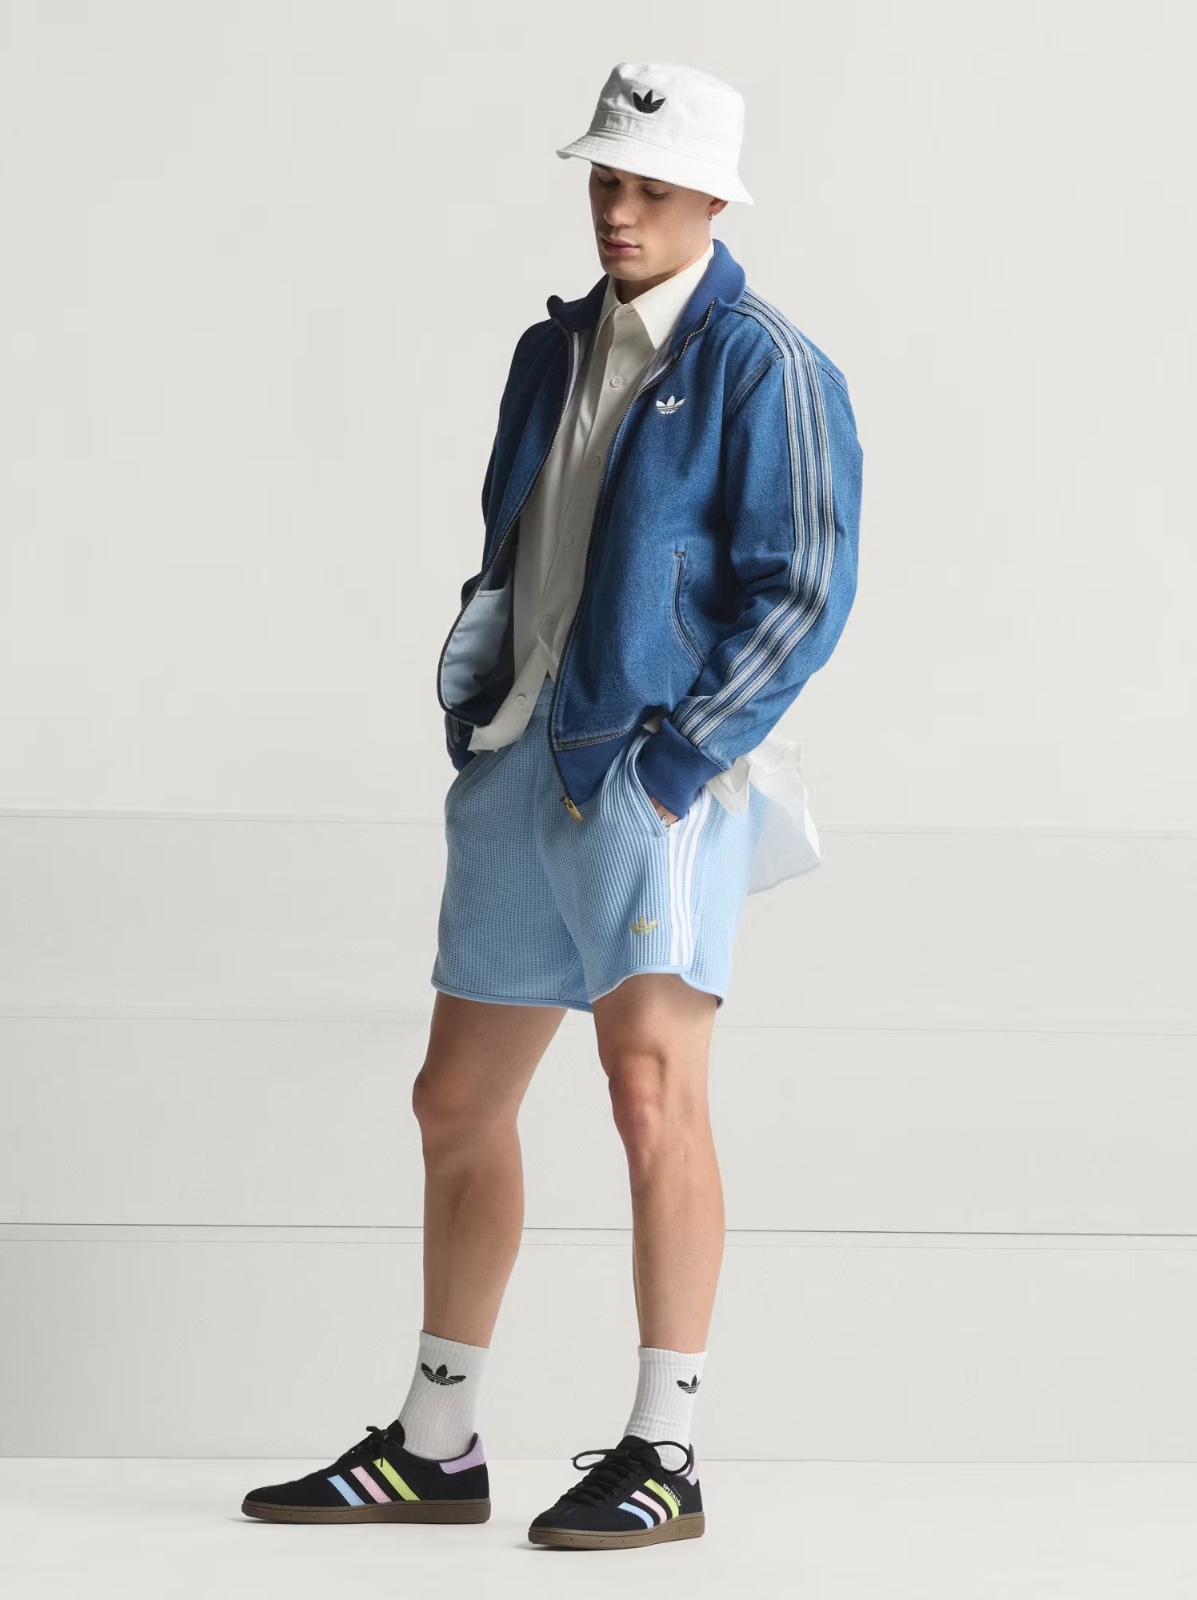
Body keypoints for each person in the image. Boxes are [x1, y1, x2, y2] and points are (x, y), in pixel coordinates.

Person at [241, 59, 862, 1552]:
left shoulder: (765, 364)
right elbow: (516, 545)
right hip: (525, 754)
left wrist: (678, 758)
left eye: (651, 186)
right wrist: (476, 702)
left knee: (651, 1094)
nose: (619, 208)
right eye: (605, 179)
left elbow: (803, 588)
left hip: (652, 773)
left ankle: (667, 1449)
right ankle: (436, 1445)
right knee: (455, 1101)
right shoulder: (553, 350)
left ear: (714, 199)